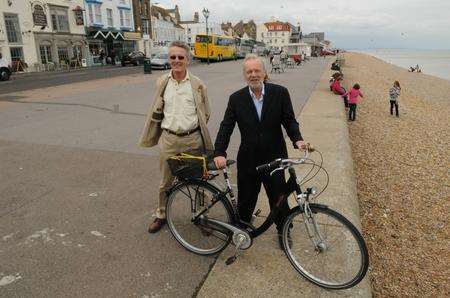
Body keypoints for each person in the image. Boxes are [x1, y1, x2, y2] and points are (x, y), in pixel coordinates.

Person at [213, 54, 307, 247]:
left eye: (257, 71)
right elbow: (226, 126)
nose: (253, 75)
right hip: (249, 158)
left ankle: (283, 230)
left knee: (278, 197)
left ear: (265, 73)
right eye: (249, 72)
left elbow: (289, 120)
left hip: (275, 157)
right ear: (245, 75)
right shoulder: (236, 99)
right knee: (246, 197)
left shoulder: (280, 93)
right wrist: (219, 151)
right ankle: (243, 229)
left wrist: (298, 139)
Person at [139, 41, 213, 233]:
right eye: (173, 57)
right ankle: (161, 214)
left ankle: (201, 216)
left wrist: (191, 128)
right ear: (169, 59)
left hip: (192, 140)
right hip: (169, 140)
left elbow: (206, 113)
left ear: (187, 59)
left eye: (181, 57)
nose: (177, 60)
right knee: (165, 182)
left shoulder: (198, 85)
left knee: (198, 182)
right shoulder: (162, 82)